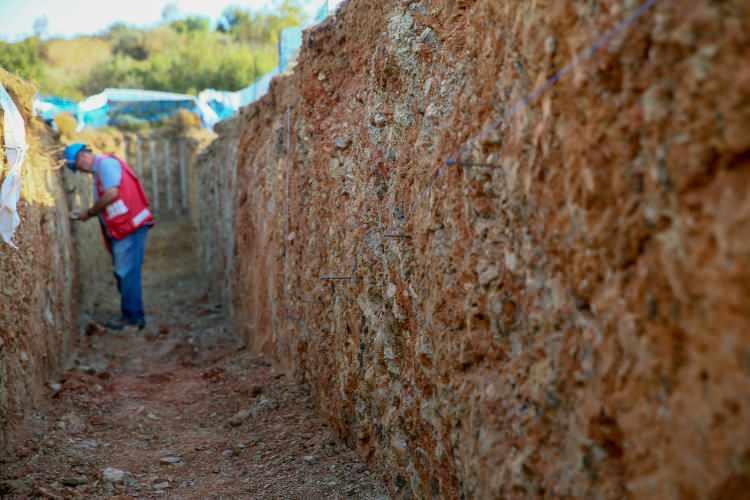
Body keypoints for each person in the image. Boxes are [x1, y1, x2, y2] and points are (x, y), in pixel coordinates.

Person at [64, 143, 155, 330]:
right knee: (124, 272)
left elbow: (112, 194)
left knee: (127, 273)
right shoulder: (100, 171)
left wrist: (89, 212)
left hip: (131, 226)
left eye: (78, 167)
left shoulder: (105, 165)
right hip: (125, 227)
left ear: (82, 157)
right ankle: (131, 314)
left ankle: (133, 318)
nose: (81, 171)